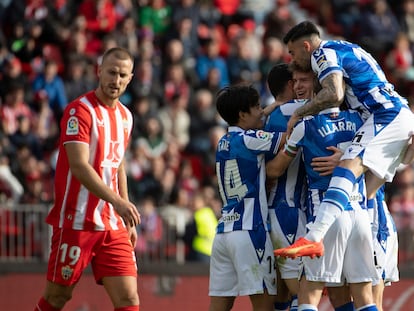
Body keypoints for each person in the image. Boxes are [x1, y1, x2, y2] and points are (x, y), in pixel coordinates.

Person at [274, 20, 414, 259]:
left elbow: (334, 93)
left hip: (385, 115)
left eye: (292, 52)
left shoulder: (322, 54)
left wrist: (299, 112)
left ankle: (313, 237)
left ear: (306, 46)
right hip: (394, 116)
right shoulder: (344, 46)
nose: (292, 59)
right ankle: (359, 251)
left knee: (347, 167)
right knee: (362, 192)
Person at [33, 47, 142, 311]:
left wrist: (125, 213)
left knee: (128, 298)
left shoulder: (126, 117)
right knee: (58, 297)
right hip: (76, 220)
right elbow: (79, 166)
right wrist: (118, 202)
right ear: (99, 71)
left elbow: (118, 164)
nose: (115, 80)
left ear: (130, 78)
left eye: (122, 75)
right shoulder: (79, 112)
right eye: (111, 72)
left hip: (112, 225)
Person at [267, 72, 379, 311]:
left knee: (310, 292)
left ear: (317, 96)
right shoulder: (361, 120)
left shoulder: (305, 125)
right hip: (359, 214)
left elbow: (277, 168)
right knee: (363, 295)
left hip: (326, 216)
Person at [209, 84, 280, 311]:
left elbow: (252, 124)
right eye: (257, 107)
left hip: (223, 234)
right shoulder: (251, 139)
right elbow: (291, 139)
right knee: (264, 306)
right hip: (250, 231)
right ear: (242, 114)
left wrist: (271, 108)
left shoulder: (223, 142)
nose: (261, 111)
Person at [264, 63, 314, 311]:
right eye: (296, 81)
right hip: (290, 210)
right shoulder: (300, 111)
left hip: (269, 211)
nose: (300, 86)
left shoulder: (268, 116)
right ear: (289, 85)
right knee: (303, 292)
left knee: (280, 293)